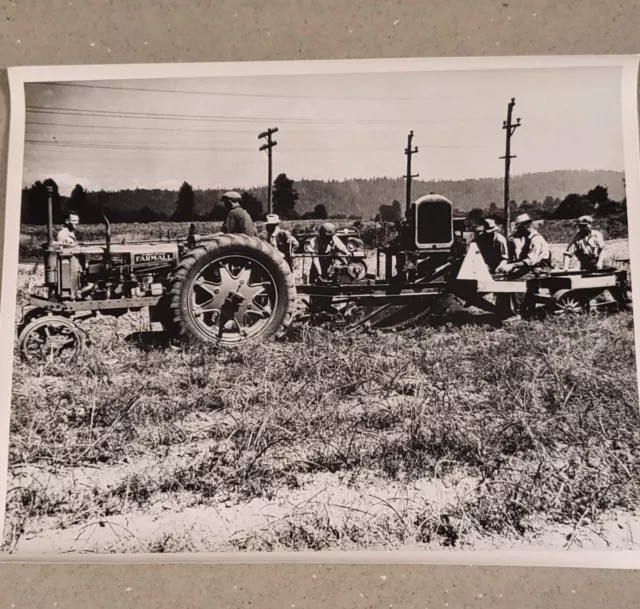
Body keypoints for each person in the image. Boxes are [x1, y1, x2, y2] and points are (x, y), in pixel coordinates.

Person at [498, 213, 551, 278]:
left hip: (540, 271)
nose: (518, 231)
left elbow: (530, 261)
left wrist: (512, 265)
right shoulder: (529, 239)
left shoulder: (536, 239)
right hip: (531, 269)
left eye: (519, 228)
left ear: (525, 226)